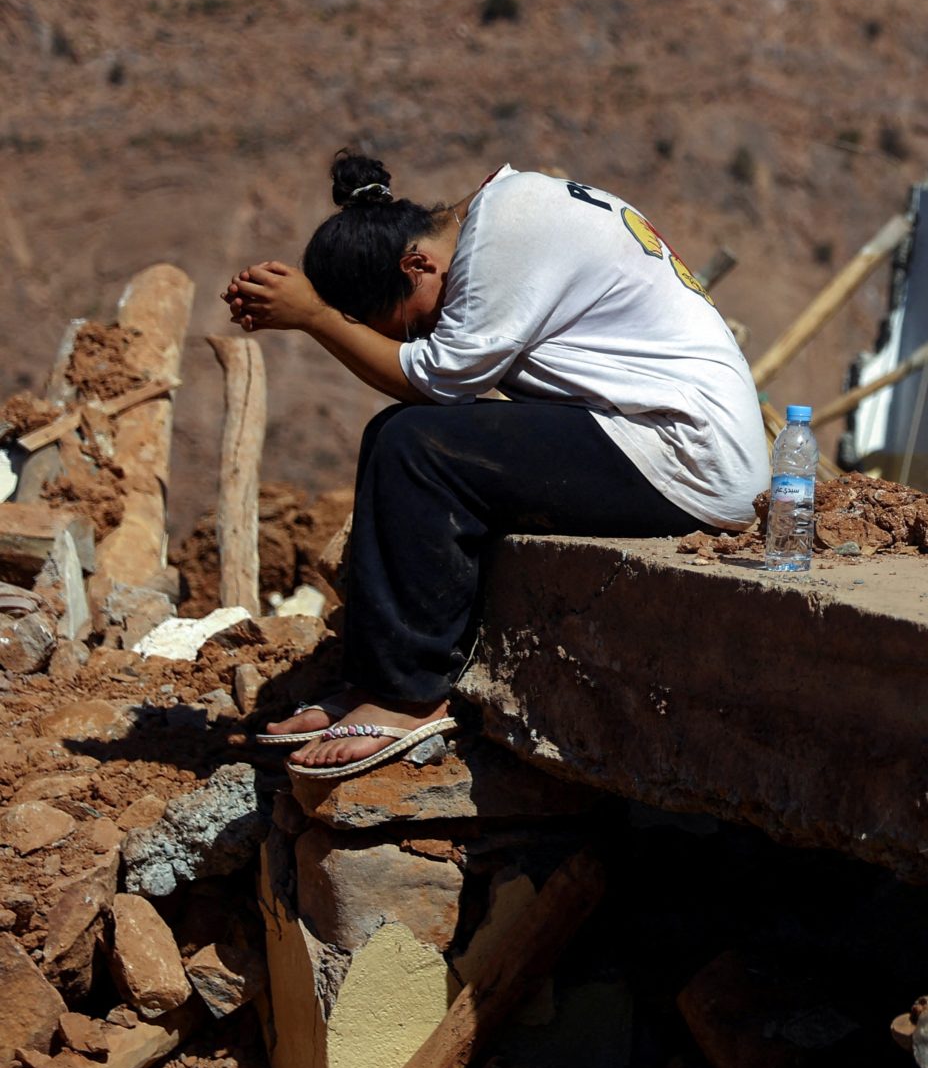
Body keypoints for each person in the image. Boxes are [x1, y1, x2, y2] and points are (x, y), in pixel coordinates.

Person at [225, 151, 763, 776]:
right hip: (648, 434)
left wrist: (316, 318)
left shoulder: (507, 230)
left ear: (417, 264)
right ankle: (375, 682)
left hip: (685, 453)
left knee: (415, 444)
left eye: (412, 322)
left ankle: (408, 697)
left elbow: (435, 382)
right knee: (400, 436)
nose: (421, 335)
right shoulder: (507, 214)